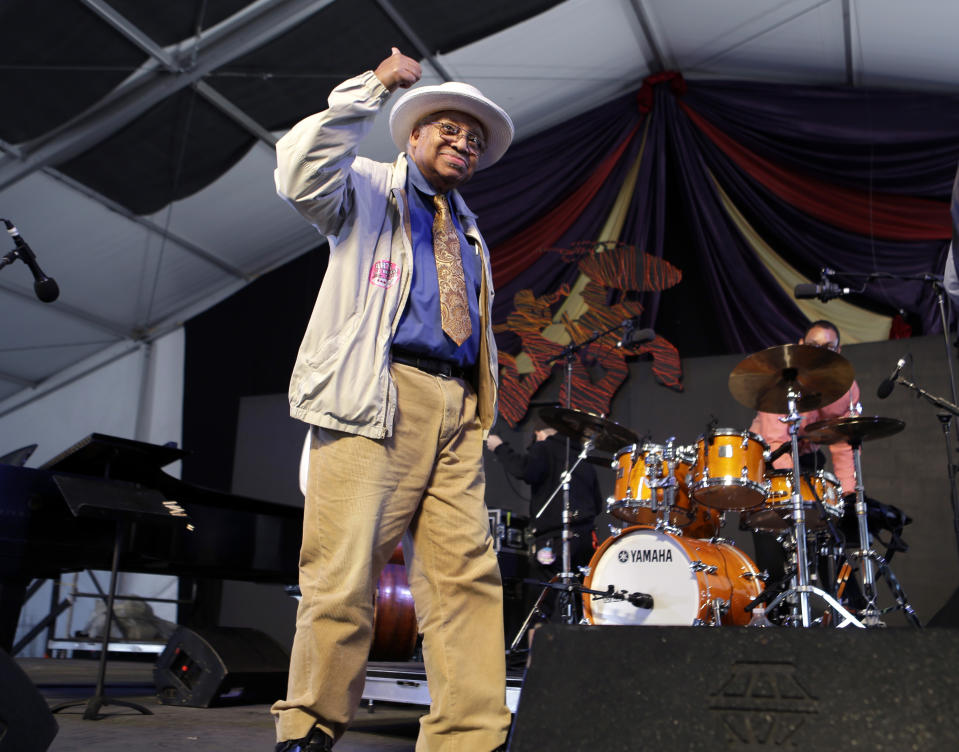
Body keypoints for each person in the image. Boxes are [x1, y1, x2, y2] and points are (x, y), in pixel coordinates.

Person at [270, 48, 514, 752]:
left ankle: (470, 736)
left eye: (473, 138)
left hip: (457, 410)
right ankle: (309, 726)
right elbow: (297, 171)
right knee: (342, 572)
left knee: (467, 579)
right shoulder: (368, 189)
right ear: (410, 135)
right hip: (377, 396)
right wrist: (371, 88)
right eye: (447, 128)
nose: (462, 142)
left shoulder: (469, 228)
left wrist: (476, 407)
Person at [747, 320, 860, 587]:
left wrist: (847, 494)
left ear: (839, 351)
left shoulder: (845, 388)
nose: (819, 352)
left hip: (809, 463)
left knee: (828, 545)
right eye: (813, 346)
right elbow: (776, 441)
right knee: (775, 563)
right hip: (771, 466)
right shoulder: (780, 383)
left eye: (828, 347)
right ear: (800, 346)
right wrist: (795, 497)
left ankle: (841, 610)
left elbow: (844, 442)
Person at [486, 417, 603, 620]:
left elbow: (525, 470)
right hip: (585, 541)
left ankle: (535, 650)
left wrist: (499, 447)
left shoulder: (545, 447)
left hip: (554, 539)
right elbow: (598, 505)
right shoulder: (581, 458)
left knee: (541, 603)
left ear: (539, 434)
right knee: (579, 599)